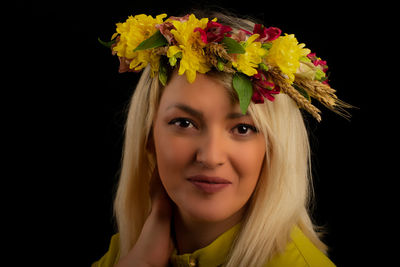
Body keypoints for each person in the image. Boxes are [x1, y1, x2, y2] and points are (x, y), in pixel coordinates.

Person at [93, 9, 349, 267]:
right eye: (184, 123)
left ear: (273, 146)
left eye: (243, 129)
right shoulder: (125, 253)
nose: (210, 156)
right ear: (148, 135)